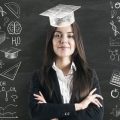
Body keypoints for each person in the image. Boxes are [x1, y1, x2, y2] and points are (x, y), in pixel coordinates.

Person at [29, 4, 104, 120]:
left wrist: (53, 112)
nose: (63, 40)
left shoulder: (89, 75)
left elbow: (96, 115)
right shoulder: (39, 77)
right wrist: (80, 106)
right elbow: (37, 113)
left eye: (70, 36)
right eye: (57, 35)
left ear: (76, 41)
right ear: (51, 41)